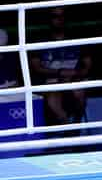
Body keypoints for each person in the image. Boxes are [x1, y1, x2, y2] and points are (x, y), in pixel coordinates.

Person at [30, 7, 92, 135]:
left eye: (62, 16)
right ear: (49, 20)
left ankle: (76, 125)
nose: (59, 20)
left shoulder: (77, 38)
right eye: (55, 16)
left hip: (73, 78)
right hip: (51, 80)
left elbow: (88, 65)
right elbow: (36, 67)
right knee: (53, 96)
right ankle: (68, 127)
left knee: (80, 91)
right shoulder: (40, 40)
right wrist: (59, 73)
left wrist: (76, 73)